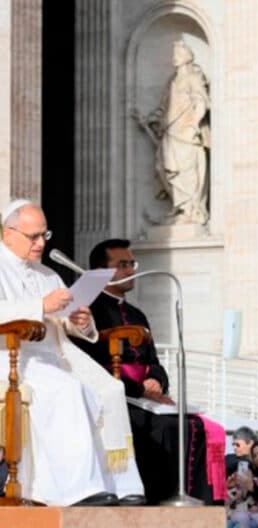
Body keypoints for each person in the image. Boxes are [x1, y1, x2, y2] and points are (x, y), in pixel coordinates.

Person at [0, 199, 144, 505]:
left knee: (110, 390)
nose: (41, 243)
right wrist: (40, 306)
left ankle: (120, 485)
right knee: (67, 390)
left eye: (44, 235)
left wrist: (81, 321)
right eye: (33, 237)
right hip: (13, 358)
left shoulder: (47, 274)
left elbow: (62, 318)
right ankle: (76, 490)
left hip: (54, 357)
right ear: (8, 232)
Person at [73, 238, 220, 504]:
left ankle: (193, 501)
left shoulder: (137, 314)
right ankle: (155, 500)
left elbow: (154, 360)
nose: (131, 271)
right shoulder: (86, 313)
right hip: (116, 394)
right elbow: (92, 364)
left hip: (146, 395)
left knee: (194, 424)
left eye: (132, 263)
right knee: (164, 426)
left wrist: (155, 380)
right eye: (122, 265)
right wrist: (139, 389)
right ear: (100, 271)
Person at [133, 40, 210, 225]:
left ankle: (191, 209)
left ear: (185, 56)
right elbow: (164, 107)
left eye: (177, 53)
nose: (174, 56)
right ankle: (179, 206)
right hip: (170, 132)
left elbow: (201, 102)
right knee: (164, 168)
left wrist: (193, 125)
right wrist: (150, 119)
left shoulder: (193, 77)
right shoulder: (172, 81)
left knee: (187, 170)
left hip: (185, 131)